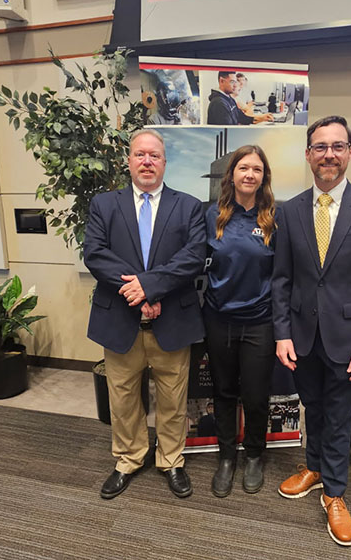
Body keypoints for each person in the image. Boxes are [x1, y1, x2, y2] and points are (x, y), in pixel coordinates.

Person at [272, 115, 351, 546]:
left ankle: (335, 494)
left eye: (337, 146)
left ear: (349, 153)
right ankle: (314, 466)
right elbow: (281, 279)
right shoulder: (288, 211)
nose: (328, 155)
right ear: (308, 155)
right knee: (313, 408)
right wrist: (282, 333)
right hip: (302, 337)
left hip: (348, 340)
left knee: (340, 417)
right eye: (320, 147)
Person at [84, 129, 206, 500]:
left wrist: (151, 287)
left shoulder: (189, 206)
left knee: (173, 400)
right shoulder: (104, 205)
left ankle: (171, 460)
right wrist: (141, 293)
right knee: (122, 400)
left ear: (165, 163)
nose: (147, 161)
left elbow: (193, 256)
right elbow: (96, 254)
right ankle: (128, 458)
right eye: (140, 155)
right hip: (120, 321)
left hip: (171, 321)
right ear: (129, 161)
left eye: (155, 155)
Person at [204, 145, 277, 497]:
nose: (250, 174)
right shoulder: (212, 215)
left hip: (260, 323)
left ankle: (253, 456)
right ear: (231, 174)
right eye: (243, 168)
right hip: (218, 320)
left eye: (257, 169)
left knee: (256, 396)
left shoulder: (273, 219)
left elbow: (284, 274)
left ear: (264, 177)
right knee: (224, 392)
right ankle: (227, 457)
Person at [207, 72, 272, 125]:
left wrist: (263, 118)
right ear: (221, 81)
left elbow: (242, 118)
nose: (235, 85)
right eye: (232, 82)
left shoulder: (229, 99)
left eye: (235, 82)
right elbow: (229, 130)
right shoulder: (218, 103)